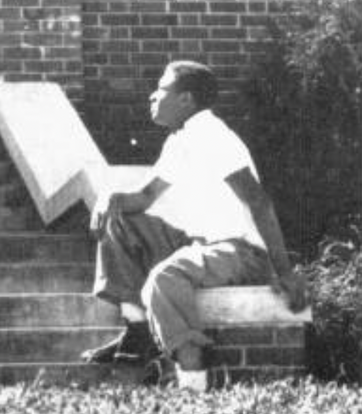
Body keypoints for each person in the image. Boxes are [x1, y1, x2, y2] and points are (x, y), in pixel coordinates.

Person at [81, 61, 307, 390]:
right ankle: (138, 330)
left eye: (161, 89)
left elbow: (258, 201)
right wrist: (109, 198)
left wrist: (283, 270)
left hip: (240, 250)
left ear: (186, 99)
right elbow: (144, 198)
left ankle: (193, 383)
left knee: (164, 279)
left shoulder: (213, 136)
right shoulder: (180, 140)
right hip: (200, 245)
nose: (152, 96)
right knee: (121, 224)